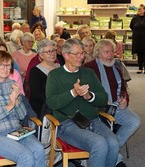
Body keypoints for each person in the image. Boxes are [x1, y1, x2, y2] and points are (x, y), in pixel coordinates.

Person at [46, 38, 119, 167]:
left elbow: (103, 99)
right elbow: (52, 103)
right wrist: (73, 93)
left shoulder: (88, 73)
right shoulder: (54, 75)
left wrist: (89, 96)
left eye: (82, 53)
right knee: (99, 143)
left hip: (92, 120)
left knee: (113, 142)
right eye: (77, 54)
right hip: (67, 123)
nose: (81, 57)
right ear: (66, 55)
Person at [0, 50, 45, 167]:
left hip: (15, 131)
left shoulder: (13, 83)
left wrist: (17, 101)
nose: (5, 69)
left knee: (39, 149)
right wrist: (9, 105)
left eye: (8, 65)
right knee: (25, 156)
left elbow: (22, 115)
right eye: (1, 65)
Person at [84, 39, 140, 167]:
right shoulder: (89, 68)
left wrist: (125, 100)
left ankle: (110, 151)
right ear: (98, 53)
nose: (110, 55)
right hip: (98, 108)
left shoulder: (116, 68)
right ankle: (114, 156)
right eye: (106, 52)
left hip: (116, 106)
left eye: (112, 52)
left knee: (134, 121)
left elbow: (124, 90)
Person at [29, 39, 59, 119]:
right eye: (49, 52)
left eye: (54, 51)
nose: (52, 54)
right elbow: (37, 95)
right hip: (43, 109)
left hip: (62, 105)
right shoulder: (35, 71)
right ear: (41, 55)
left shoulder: (61, 68)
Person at [130, 4, 145, 74]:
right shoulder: (135, 18)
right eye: (138, 9)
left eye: (140, 9)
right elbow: (131, 26)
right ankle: (140, 68)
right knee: (139, 54)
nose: (138, 10)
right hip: (137, 39)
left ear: (144, 10)